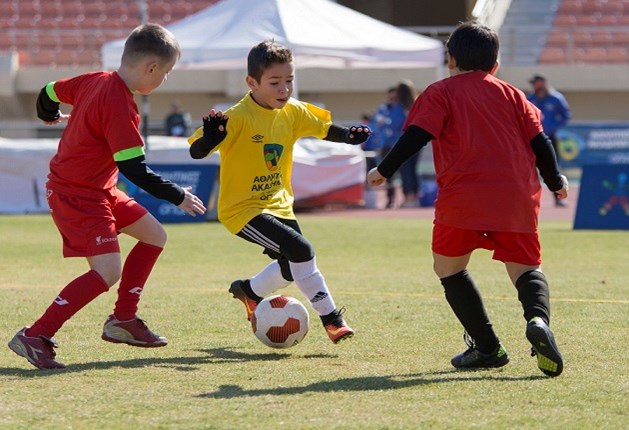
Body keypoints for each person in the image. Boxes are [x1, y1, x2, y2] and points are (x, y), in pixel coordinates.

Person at [367, 21, 568, 377]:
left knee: (449, 269)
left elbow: (416, 136)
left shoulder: (441, 92)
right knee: (526, 269)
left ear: (451, 59)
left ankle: (488, 347)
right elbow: (542, 143)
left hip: (463, 200)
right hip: (516, 198)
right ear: (496, 64)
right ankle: (537, 319)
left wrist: (384, 170)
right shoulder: (514, 94)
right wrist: (555, 182)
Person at [7, 24, 207, 370]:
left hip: (97, 189)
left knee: (154, 235)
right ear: (151, 69)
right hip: (77, 195)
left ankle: (123, 321)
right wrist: (178, 196)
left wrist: (49, 115)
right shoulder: (120, 104)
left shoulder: (93, 79)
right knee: (107, 270)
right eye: (167, 72)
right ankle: (35, 335)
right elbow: (134, 169)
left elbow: (48, 91)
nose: (165, 79)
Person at [188, 40, 371, 344]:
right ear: (252, 82)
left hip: (279, 204)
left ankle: (249, 291)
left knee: (291, 266)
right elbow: (197, 152)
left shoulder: (293, 111)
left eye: (289, 81)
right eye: (274, 82)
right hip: (242, 210)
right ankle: (332, 319)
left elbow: (326, 129)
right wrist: (209, 139)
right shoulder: (238, 116)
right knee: (301, 250)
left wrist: (349, 136)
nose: (284, 89)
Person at [527, 74, 571, 207]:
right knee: (528, 168)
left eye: (537, 83)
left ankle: (559, 197)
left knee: (553, 167)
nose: (535, 86)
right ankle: (528, 198)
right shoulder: (530, 98)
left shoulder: (556, 98)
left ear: (543, 83)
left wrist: (553, 128)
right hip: (531, 138)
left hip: (549, 138)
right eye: (533, 83)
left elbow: (566, 115)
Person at [394, 80, 420, 208]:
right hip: (417, 141)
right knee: (413, 169)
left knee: (405, 170)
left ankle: (408, 197)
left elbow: (396, 124)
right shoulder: (417, 103)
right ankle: (414, 196)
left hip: (402, 141)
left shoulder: (399, 106)